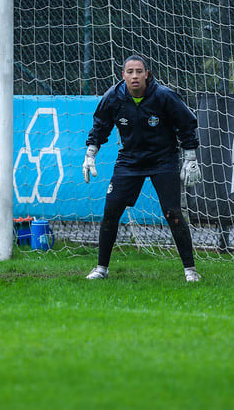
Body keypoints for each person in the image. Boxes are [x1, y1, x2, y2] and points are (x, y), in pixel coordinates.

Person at [82, 54, 202, 282]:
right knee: (110, 213)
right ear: (123, 75)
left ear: (147, 74)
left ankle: (190, 271)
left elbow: (186, 124)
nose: (134, 76)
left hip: (163, 160)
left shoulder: (164, 96)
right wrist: (90, 154)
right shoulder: (114, 97)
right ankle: (101, 269)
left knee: (173, 213)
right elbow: (100, 126)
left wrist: (190, 157)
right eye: (130, 72)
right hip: (130, 161)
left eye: (139, 71)